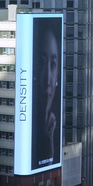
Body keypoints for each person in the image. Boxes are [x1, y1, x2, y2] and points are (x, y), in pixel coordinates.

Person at [32, 17, 62, 169]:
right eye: (42, 63)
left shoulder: (54, 132)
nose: (47, 79)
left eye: (53, 64)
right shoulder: (28, 133)